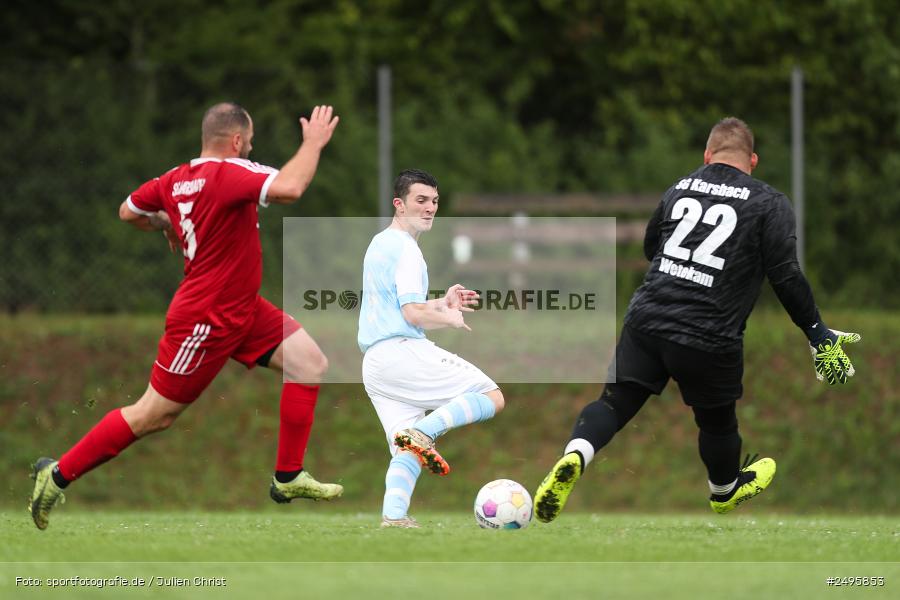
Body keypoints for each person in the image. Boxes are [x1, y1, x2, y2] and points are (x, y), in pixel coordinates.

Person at [30, 103, 343, 530]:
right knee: (153, 413)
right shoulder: (231, 173)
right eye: (248, 143)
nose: (250, 149)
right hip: (207, 317)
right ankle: (58, 474)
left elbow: (128, 212)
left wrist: (168, 222)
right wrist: (312, 143)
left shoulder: (173, 179)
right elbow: (290, 187)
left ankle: (287, 477)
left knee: (309, 364)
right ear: (236, 142)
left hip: (242, 306)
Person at [534, 117, 861, 522]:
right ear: (753, 160)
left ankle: (575, 455)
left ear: (707, 156)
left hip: (648, 318)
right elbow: (786, 275)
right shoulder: (769, 202)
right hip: (709, 333)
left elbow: (652, 246)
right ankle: (723, 490)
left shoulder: (681, 187)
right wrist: (817, 333)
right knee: (717, 422)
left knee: (615, 402)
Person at [358, 169, 505, 528]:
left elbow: (401, 308)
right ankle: (426, 431)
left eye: (435, 202)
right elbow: (411, 313)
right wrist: (449, 318)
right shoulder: (407, 250)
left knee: (406, 450)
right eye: (420, 200)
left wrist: (443, 302)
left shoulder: (380, 242)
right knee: (491, 395)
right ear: (399, 204)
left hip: (375, 364)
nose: (429, 208)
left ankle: (393, 518)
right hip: (400, 351)